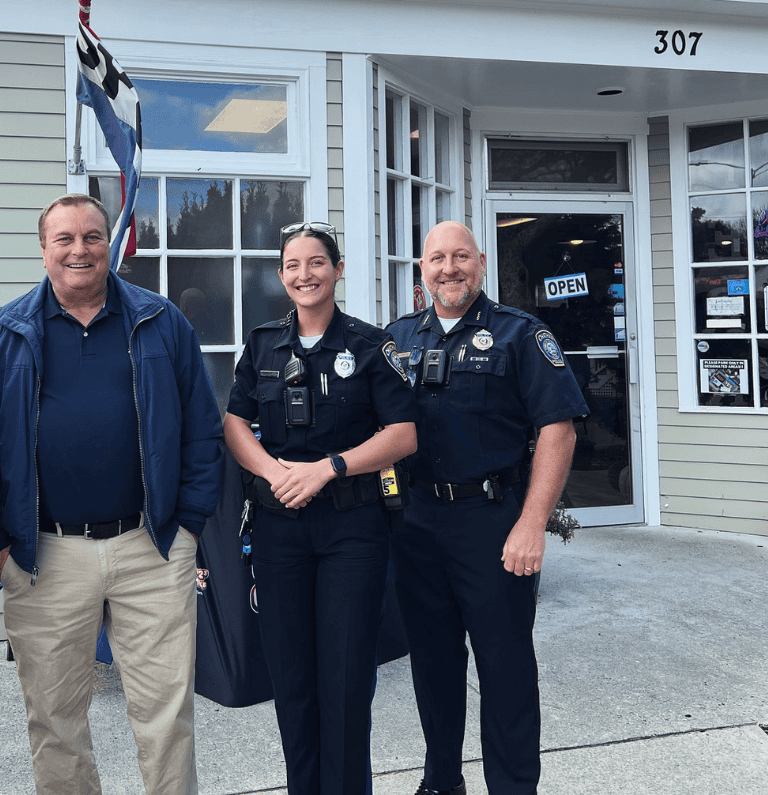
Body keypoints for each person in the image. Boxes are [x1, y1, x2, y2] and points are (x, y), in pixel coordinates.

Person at [0, 193, 223, 795]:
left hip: (149, 547)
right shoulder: (8, 332)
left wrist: (189, 529)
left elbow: (203, 425)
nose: (80, 249)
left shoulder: (160, 321)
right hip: (42, 555)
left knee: (166, 719)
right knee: (54, 720)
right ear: (43, 248)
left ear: (111, 243)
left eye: (92, 237)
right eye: (65, 238)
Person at [387, 221, 589, 795]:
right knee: (432, 663)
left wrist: (532, 524)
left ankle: (513, 785)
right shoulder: (397, 340)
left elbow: (559, 428)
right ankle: (441, 780)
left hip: (493, 523)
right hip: (416, 525)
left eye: (460, 257)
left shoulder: (519, 335)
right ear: (421, 269)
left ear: (480, 263)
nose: (448, 268)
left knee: (505, 671)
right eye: (436, 259)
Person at [223, 221, 417, 795]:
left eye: (315, 263)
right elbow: (234, 422)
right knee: (292, 680)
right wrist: (272, 470)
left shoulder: (370, 344)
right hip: (280, 530)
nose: (303, 275)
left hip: (351, 529)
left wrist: (328, 468)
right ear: (280, 275)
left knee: (347, 678)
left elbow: (403, 433)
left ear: (337, 269)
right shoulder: (261, 343)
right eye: (292, 265)